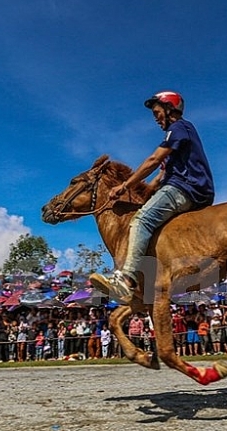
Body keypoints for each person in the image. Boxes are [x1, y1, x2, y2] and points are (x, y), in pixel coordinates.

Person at [90, 91, 215, 304]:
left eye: (157, 113)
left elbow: (153, 160)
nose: (156, 118)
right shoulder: (178, 140)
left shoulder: (178, 128)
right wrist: (142, 192)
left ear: (169, 109)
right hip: (190, 188)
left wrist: (124, 185)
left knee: (141, 220)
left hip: (187, 188)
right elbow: (159, 178)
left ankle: (126, 280)